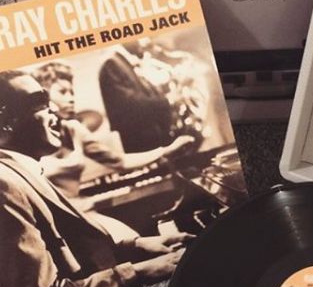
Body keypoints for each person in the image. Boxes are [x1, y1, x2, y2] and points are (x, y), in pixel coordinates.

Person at [0, 70, 192, 287]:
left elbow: (68, 245)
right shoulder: (5, 185)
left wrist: (136, 247)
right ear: (5, 122)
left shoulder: (20, 170)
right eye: (40, 103)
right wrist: (142, 272)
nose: (55, 110)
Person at [33, 61, 195, 200]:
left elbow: (121, 162)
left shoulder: (74, 129)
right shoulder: (30, 136)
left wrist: (164, 151)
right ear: (44, 97)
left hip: (76, 206)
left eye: (72, 92)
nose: (71, 98)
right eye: (63, 92)